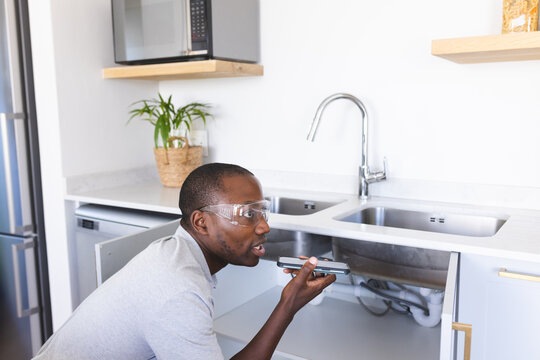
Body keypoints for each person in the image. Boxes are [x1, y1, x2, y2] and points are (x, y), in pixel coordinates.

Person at [33, 163, 336, 360]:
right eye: (247, 214)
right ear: (201, 223)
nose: (264, 227)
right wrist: (287, 306)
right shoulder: (178, 290)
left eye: (262, 211)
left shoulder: (173, 253)